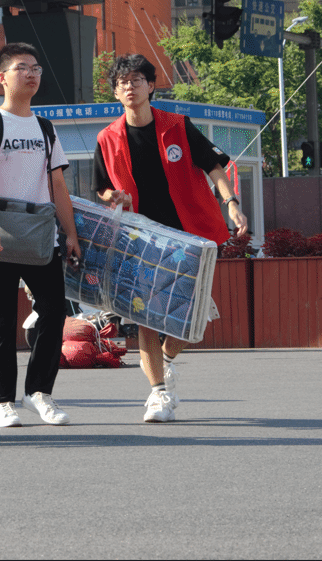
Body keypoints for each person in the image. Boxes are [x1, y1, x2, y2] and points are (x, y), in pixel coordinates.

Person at [93, 54, 249, 422]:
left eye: (136, 80)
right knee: (146, 316)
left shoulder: (177, 125)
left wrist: (231, 204)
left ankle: (165, 360)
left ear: (150, 86)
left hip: (188, 236)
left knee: (192, 318)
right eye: (122, 83)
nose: (129, 87)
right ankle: (158, 393)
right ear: (116, 93)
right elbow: (101, 187)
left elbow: (213, 166)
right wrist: (113, 196)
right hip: (140, 239)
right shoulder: (107, 138)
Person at [0, 42, 82, 428]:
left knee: (53, 312)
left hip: (40, 237)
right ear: (2, 77)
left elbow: (58, 186)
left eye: (36, 68)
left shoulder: (45, 128)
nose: (31, 74)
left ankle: (39, 393)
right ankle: (2, 402)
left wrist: (70, 234)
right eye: (21, 68)